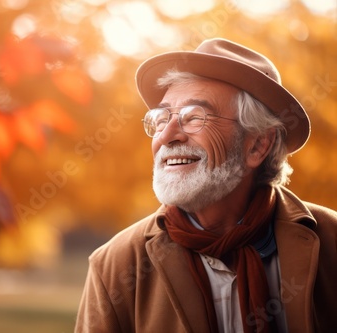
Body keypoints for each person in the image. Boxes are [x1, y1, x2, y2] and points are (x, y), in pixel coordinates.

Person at [74, 38, 337, 333]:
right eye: (161, 119)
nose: (168, 135)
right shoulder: (115, 266)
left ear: (258, 145)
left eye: (194, 117)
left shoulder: (331, 241)